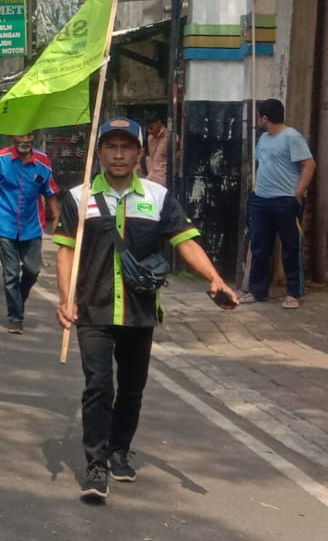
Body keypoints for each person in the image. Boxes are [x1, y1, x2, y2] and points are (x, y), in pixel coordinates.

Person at [54, 117, 239, 502]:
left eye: (127, 147)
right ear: (100, 152)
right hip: (93, 309)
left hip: (139, 311)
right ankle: (96, 463)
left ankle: (119, 450)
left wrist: (214, 278)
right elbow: (66, 252)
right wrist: (65, 298)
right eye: (111, 147)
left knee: (132, 388)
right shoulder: (78, 197)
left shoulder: (158, 197)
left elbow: (185, 241)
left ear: (140, 153)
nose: (119, 155)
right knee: (98, 386)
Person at [0, 132, 60, 333]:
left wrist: (57, 218)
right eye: (20, 136)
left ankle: (18, 299)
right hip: (5, 225)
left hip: (32, 226)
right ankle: (15, 317)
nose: (25, 140)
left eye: (29, 135)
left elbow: (50, 192)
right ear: (12, 137)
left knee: (33, 270)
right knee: (11, 274)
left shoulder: (43, 162)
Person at [246, 98, 316, 308]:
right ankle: (257, 291)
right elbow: (261, 164)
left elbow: (309, 165)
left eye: (259, 116)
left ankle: (293, 293)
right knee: (260, 247)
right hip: (261, 200)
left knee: (291, 247)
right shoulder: (264, 139)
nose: (258, 120)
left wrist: (298, 193)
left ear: (265, 118)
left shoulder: (292, 137)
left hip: (285, 201)